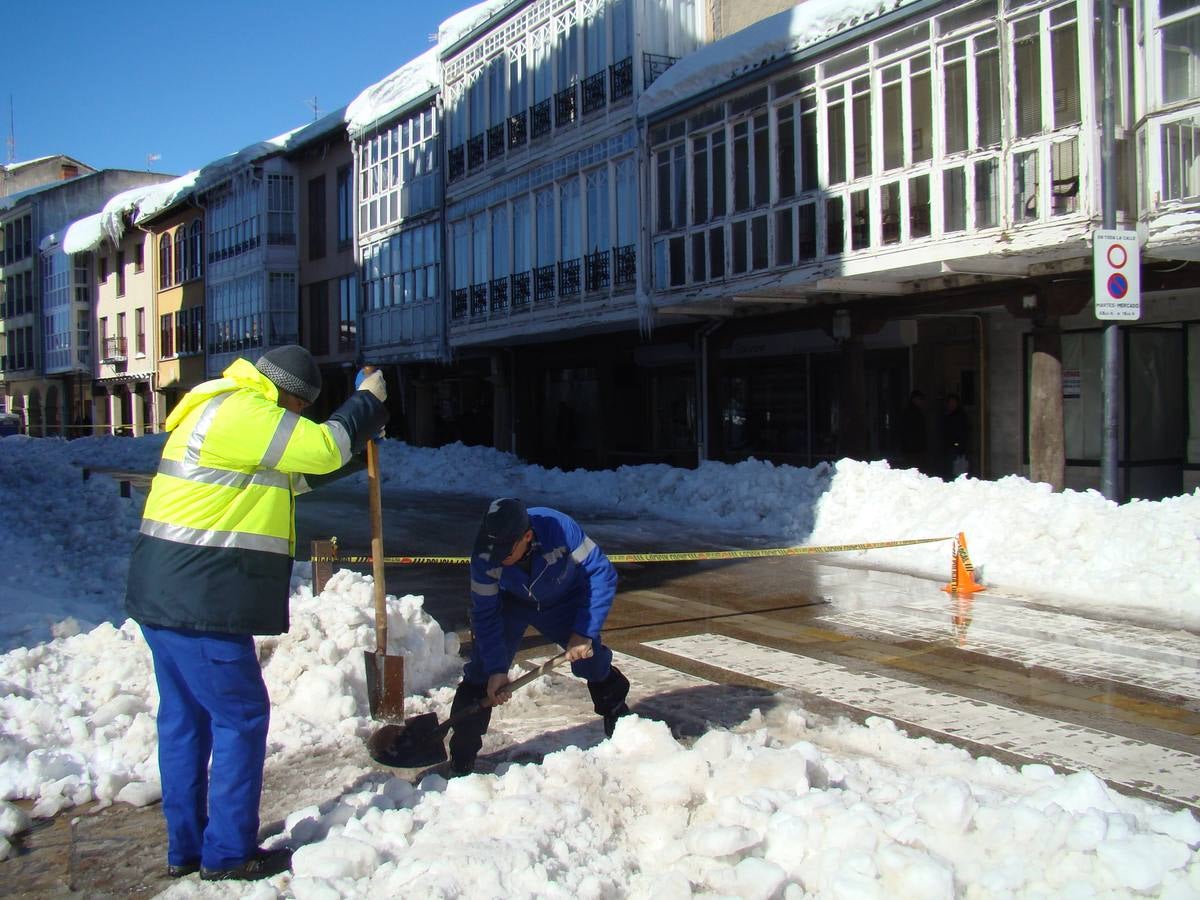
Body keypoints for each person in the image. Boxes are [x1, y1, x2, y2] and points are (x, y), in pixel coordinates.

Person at [125, 345, 389, 882]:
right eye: (299, 410)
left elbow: (293, 475)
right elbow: (316, 448)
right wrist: (364, 404)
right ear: (289, 395)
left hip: (168, 596)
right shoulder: (242, 410)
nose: (297, 421)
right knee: (241, 717)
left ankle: (188, 848)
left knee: (185, 721)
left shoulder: (221, 411)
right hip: (202, 601)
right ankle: (227, 854)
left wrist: (355, 442)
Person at [448, 498, 631, 775]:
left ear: (528, 536)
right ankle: (462, 756)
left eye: (505, 551)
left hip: (563, 597)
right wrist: (497, 668)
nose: (497, 557)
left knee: (590, 660)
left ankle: (617, 712)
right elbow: (485, 615)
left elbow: (600, 573)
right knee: (482, 673)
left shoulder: (559, 528)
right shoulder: (484, 554)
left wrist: (584, 631)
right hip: (511, 604)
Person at [898, 390, 928, 473]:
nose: (921, 402)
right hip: (913, 447)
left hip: (912, 447)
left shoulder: (913, 412)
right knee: (914, 469)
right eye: (920, 399)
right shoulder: (913, 413)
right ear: (915, 399)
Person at [941, 393, 970, 478]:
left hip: (956, 447)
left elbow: (963, 432)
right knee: (949, 469)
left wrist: (958, 445)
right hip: (948, 446)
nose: (951, 404)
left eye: (954, 402)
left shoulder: (960, 416)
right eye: (950, 402)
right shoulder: (946, 415)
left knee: (956, 470)